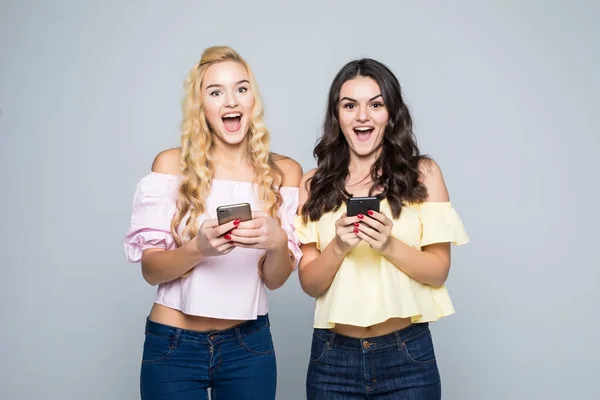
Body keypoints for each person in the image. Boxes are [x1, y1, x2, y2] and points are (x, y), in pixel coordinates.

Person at [123, 45, 303, 400]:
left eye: (241, 88)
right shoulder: (171, 166)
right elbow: (151, 271)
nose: (230, 101)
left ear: (254, 99)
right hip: (174, 344)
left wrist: (278, 242)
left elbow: (276, 279)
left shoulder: (285, 173)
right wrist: (198, 249)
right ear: (201, 106)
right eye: (215, 92)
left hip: (247, 346)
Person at [295, 58, 469, 399]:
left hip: (406, 357)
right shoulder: (312, 184)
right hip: (332, 359)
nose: (363, 116)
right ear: (337, 116)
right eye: (350, 106)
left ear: (391, 114)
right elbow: (309, 283)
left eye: (376, 104)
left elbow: (438, 272)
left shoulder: (424, 174)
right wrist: (339, 247)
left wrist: (388, 244)